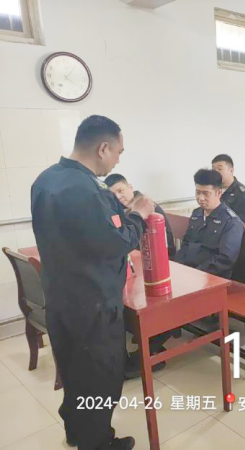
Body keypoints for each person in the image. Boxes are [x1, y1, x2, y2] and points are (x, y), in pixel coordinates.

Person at [31, 116, 154, 450]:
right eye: (118, 152)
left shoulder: (47, 179)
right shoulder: (86, 189)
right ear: (103, 148)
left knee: (75, 372)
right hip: (92, 303)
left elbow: (85, 233)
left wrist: (117, 212)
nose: (118, 161)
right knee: (100, 378)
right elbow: (116, 242)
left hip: (60, 298)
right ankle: (98, 443)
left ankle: (77, 431)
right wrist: (139, 214)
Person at [174, 169, 244, 278]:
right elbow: (186, 244)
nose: (201, 198)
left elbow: (225, 260)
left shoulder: (231, 221)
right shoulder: (197, 214)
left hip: (211, 277)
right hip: (190, 272)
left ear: (219, 193)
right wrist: (178, 267)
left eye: (206, 193)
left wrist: (196, 273)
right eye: (198, 192)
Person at [105, 173, 176, 259]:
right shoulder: (117, 211)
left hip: (160, 257)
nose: (118, 196)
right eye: (113, 195)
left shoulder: (147, 207)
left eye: (120, 191)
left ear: (130, 187)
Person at [211, 154, 245, 223]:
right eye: (213, 169)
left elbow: (243, 223)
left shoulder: (243, 194)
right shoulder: (212, 190)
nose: (216, 172)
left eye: (220, 169)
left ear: (231, 170)